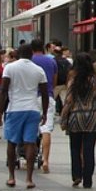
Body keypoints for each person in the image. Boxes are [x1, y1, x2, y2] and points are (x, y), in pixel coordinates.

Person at [0, 44, 49, 189]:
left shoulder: (10, 68)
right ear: (32, 55)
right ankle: (29, 179)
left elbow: (3, 90)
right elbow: (44, 93)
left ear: (18, 54)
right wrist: (44, 113)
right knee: (30, 143)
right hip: (32, 109)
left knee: (12, 143)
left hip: (15, 109)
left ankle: (11, 177)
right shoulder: (39, 70)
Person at [61, 52, 96, 188]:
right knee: (89, 149)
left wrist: (64, 118)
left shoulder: (74, 80)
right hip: (93, 117)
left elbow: (68, 101)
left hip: (76, 117)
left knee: (75, 147)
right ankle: (88, 179)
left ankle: (77, 175)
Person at [30, 38, 57, 173]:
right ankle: (45, 160)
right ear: (44, 48)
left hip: (32, 97)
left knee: (31, 128)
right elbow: (54, 80)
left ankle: (30, 156)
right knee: (46, 129)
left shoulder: (30, 61)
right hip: (48, 96)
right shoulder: (51, 61)